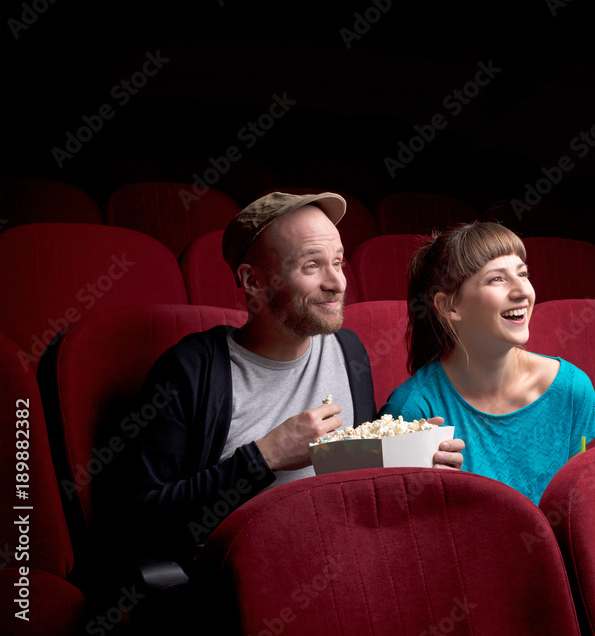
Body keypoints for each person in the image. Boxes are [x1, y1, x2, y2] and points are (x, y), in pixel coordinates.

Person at [121, 191, 465, 564]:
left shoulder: (348, 350)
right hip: (244, 574)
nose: (338, 282)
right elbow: (143, 519)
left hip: (343, 558)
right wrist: (266, 457)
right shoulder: (191, 369)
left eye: (338, 262)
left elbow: (357, 484)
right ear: (253, 281)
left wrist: (406, 460)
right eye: (312, 266)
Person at [379, 221, 595, 504]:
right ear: (450, 306)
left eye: (523, 273)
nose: (523, 291)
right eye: (497, 279)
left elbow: (576, 507)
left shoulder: (572, 389)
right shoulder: (412, 410)